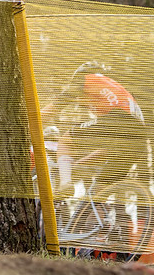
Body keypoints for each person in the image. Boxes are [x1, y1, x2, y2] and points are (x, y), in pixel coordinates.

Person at [41, 62, 147, 195]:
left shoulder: (85, 80)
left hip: (118, 121)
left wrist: (28, 125)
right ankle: (98, 208)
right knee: (99, 192)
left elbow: (52, 109)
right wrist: (73, 166)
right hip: (139, 140)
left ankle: (65, 185)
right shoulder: (116, 92)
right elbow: (105, 151)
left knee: (65, 141)